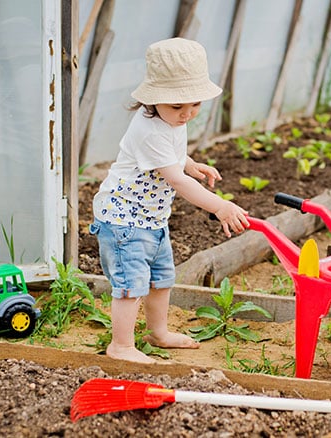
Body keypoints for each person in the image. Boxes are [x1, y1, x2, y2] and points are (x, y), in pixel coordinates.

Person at [90, 38, 249, 364]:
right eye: (178, 106)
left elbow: (173, 156)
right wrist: (219, 206)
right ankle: (121, 346)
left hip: (152, 219)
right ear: (154, 100)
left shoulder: (171, 120)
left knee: (161, 280)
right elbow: (175, 179)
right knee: (130, 285)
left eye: (195, 104)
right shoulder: (148, 130)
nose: (187, 113)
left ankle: (157, 333)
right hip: (124, 221)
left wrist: (190, 163)